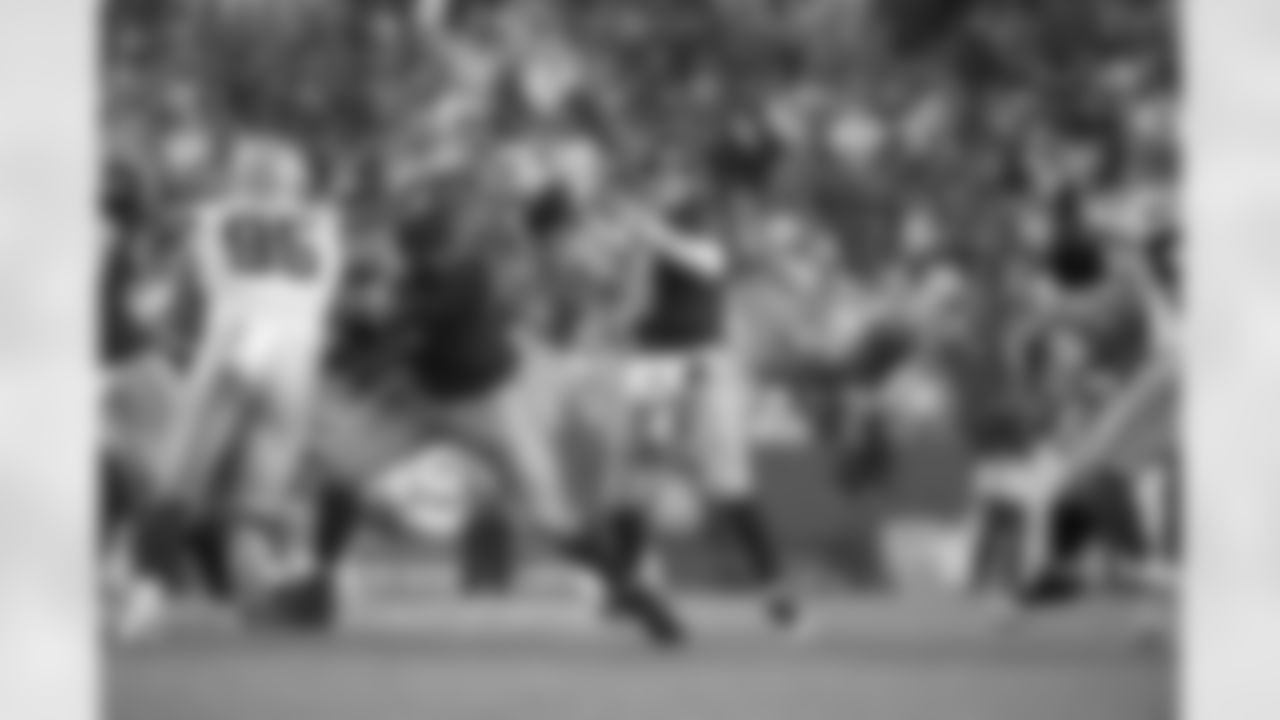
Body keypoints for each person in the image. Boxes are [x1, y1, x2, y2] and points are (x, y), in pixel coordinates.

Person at [159, 133, 348, 624]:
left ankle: (138, 587)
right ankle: (263, 591)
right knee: (256, 497)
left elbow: (180, 307)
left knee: (180, 483)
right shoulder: (324, 225)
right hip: (293, 354)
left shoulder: (211, 219)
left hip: (239, 340)